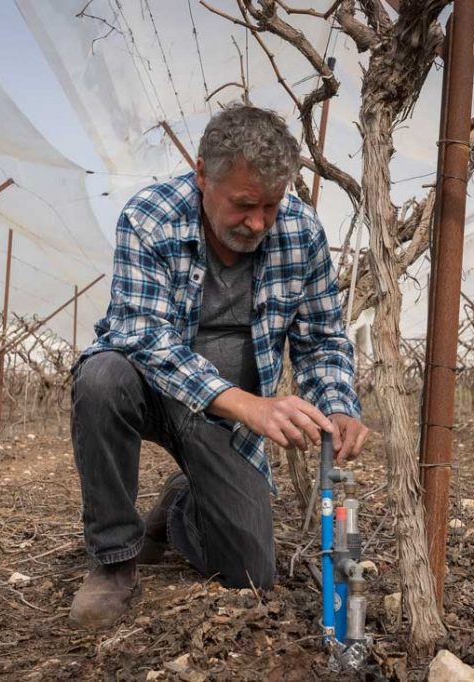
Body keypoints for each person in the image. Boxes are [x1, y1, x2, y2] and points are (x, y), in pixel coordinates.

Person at [68, 105, 369, 630]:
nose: (257, 222)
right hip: (153, 392)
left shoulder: (300, 234)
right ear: (203, 174)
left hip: (226, 424)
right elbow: (142, 336)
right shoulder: (150, 218)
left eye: (270, 206)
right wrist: (246, 403)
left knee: (252, 572)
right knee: (101, 377)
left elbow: (321, 338)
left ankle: (180, 507)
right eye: (244, 205)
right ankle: (114, 559)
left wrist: (338, 405)